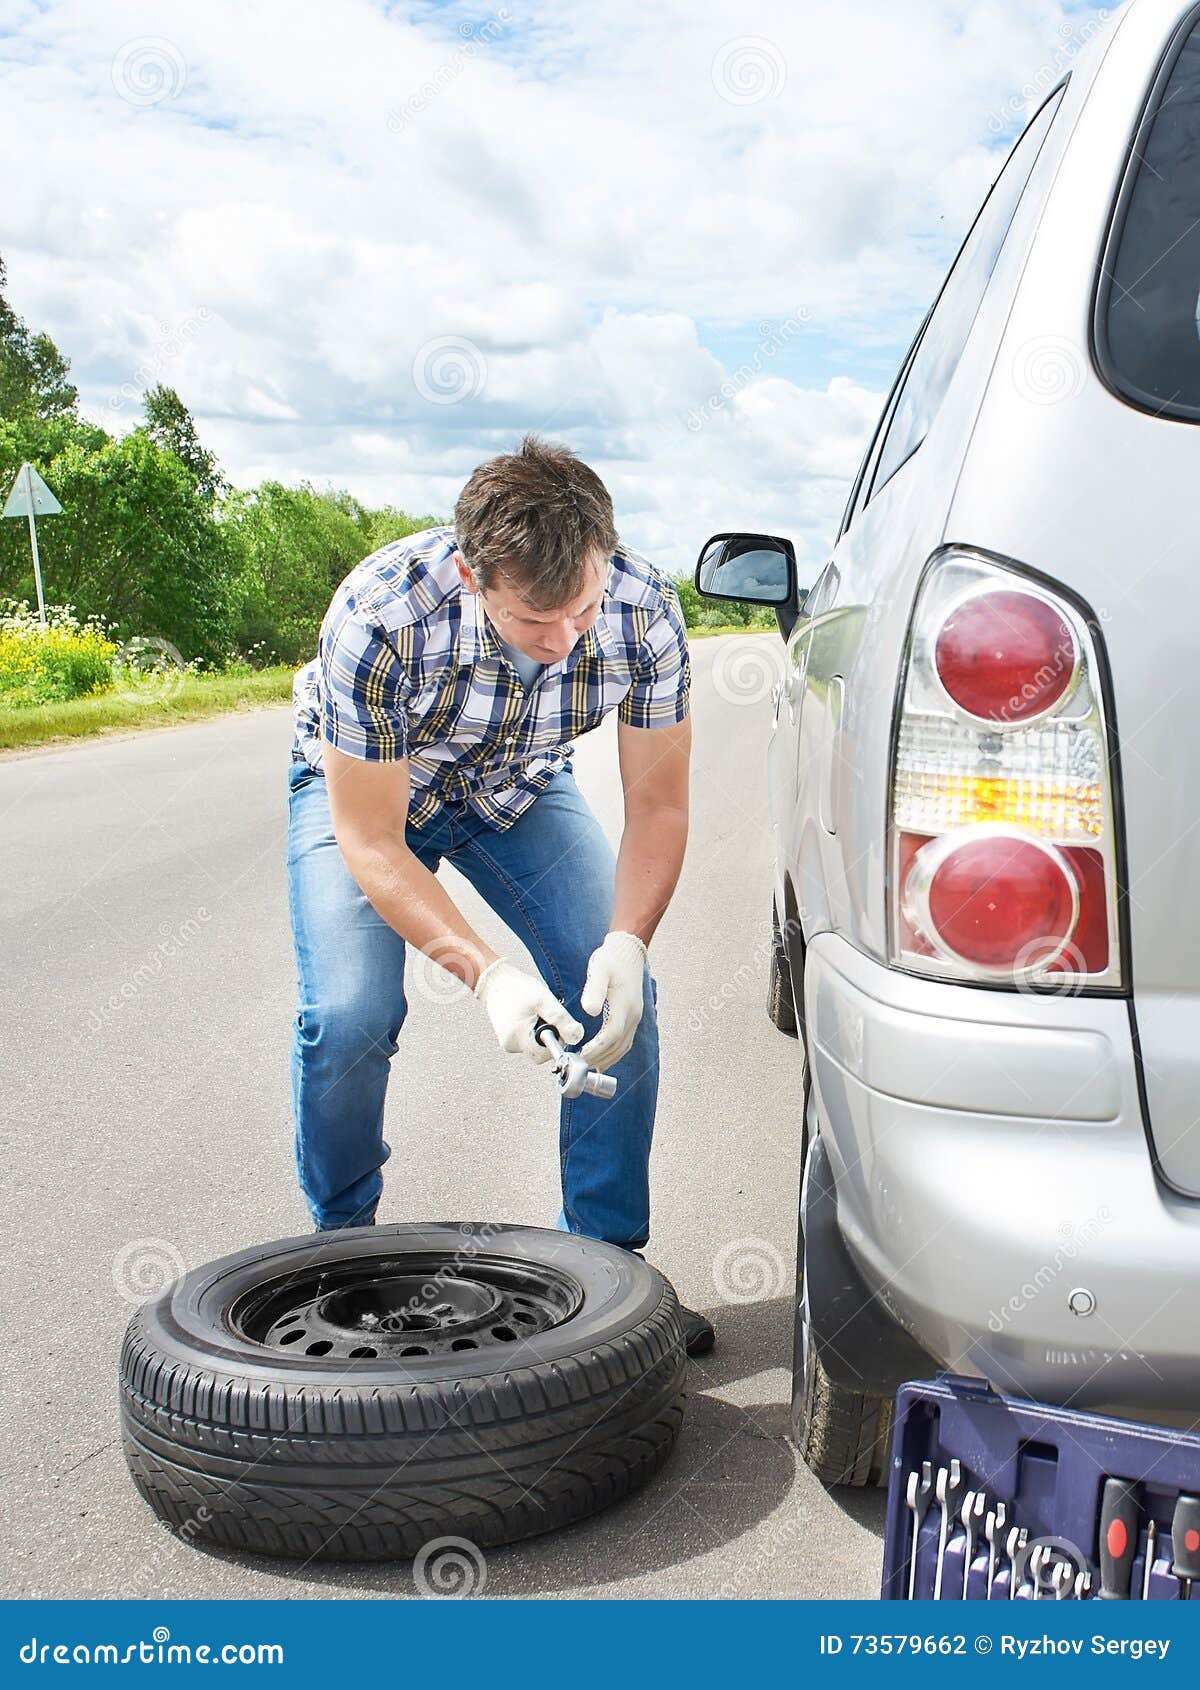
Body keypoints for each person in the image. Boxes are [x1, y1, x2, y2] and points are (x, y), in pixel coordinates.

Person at [286, 433, 714, 1356]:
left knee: (617, 1002)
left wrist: (629, 941)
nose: (564, 643)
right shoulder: (381, 614)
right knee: (350, 1013)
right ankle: (341, 1246)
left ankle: (611, 1268)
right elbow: (370, 838)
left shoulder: (645, 614)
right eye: (534, 620)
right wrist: (484, 975)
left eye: (583, 612)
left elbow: (659, 802)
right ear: (475, 578)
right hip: (376, 795)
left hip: (518, 789)